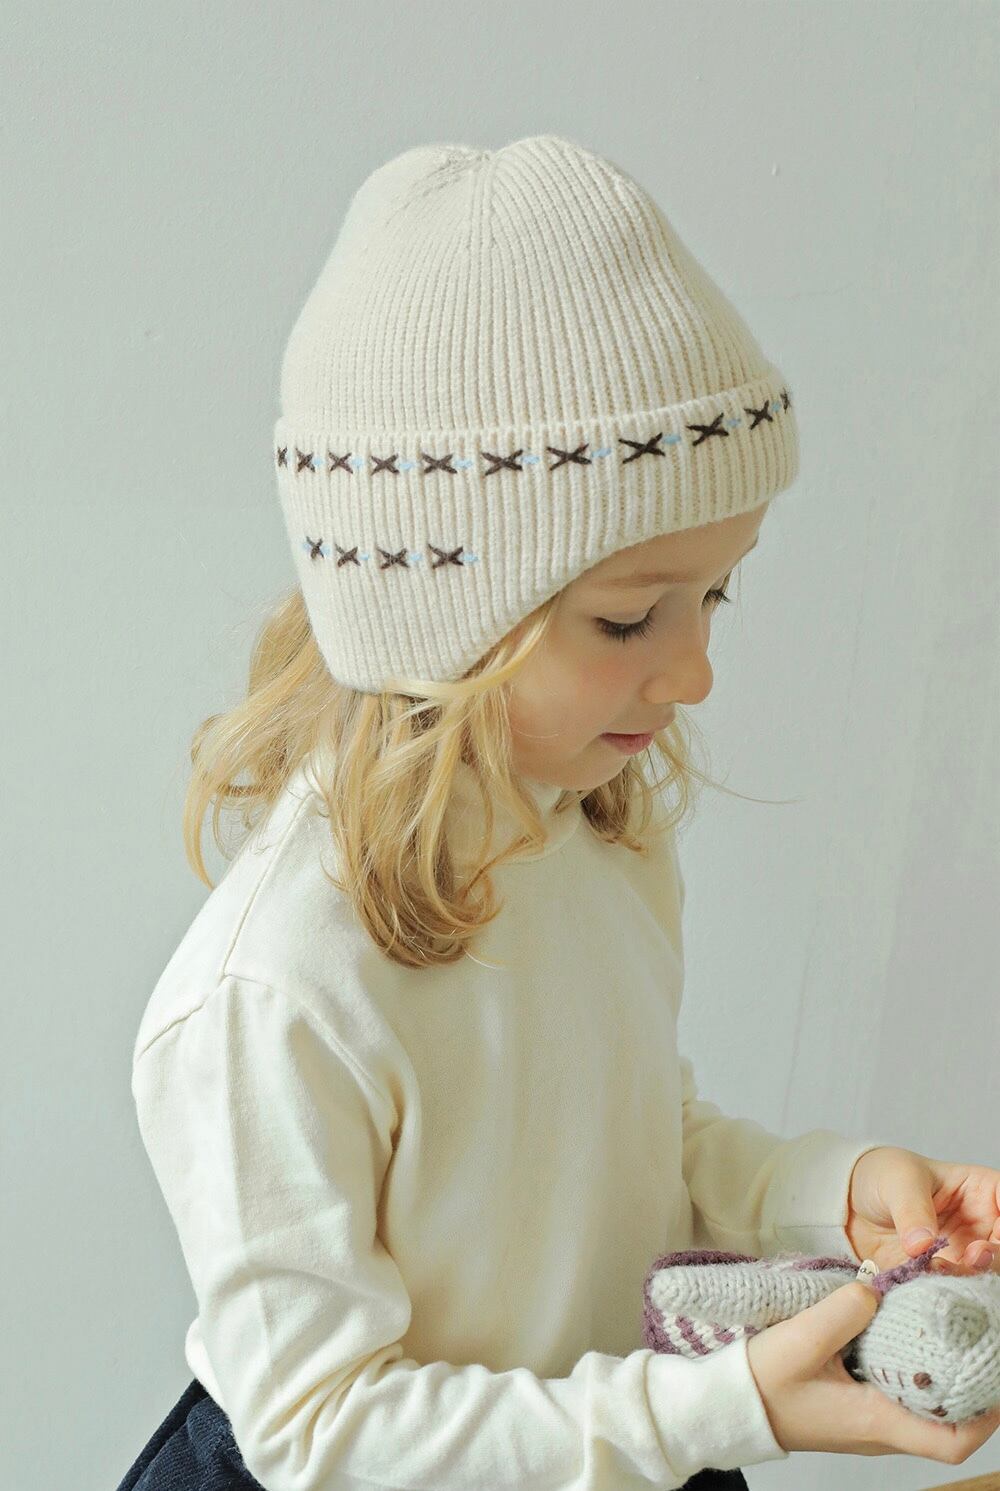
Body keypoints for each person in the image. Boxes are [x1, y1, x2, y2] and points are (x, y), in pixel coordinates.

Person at [114, 133, 999, 1491]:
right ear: (435, 618)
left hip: (606, 1443)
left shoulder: (591, 830)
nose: (696, 671)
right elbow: (320, 1433)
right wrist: (719, 1411)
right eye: (631, 617)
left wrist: (834, 1187)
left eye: (716, 594)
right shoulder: (271, 996)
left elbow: (626, 1151)